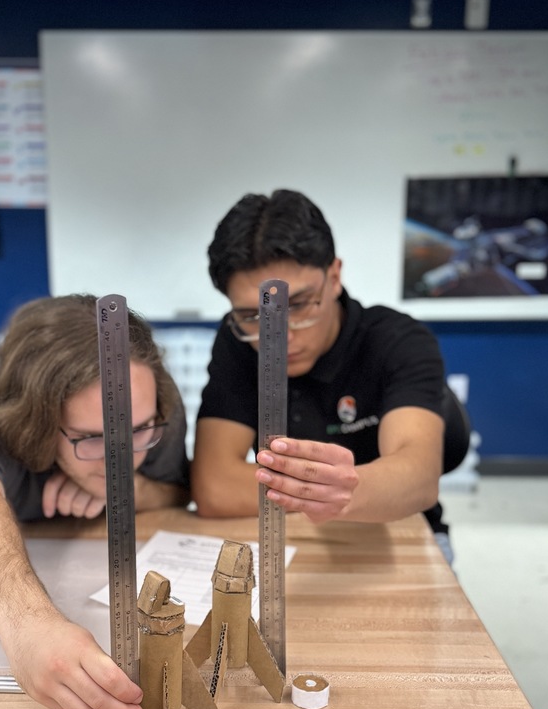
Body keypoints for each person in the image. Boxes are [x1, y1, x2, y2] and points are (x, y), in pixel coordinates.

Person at [0, 294, 190, 709]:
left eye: (138, 431)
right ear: (37, 421)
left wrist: (130, 491)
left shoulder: (154, 403)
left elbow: (181, 493)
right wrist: (29, 626)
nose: (121, 457)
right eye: (91, 438)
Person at [191, 188, 458, 561]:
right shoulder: (237, 340)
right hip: (292, 541)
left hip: (399, 535)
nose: (278, 336)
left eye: (298, 305)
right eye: (254, 315)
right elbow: (214, 487)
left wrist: (347, 491)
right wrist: (326, 491)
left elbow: (417, 477)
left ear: (334, 277)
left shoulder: (397, 340)